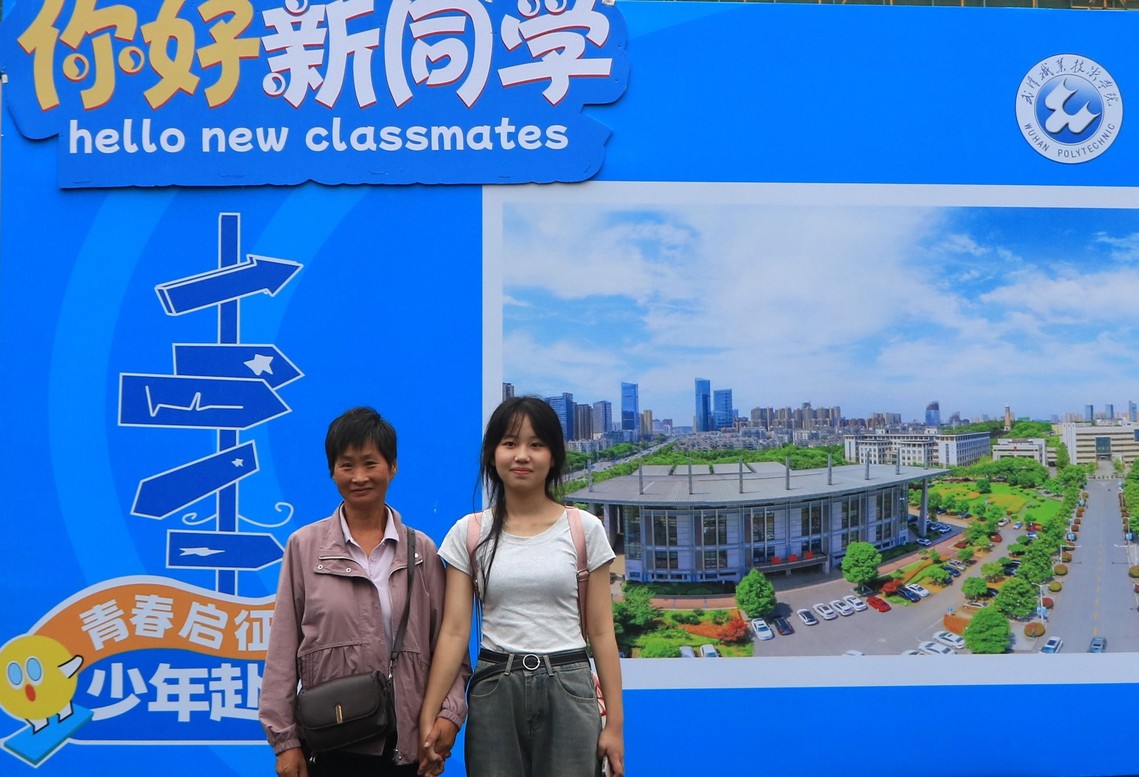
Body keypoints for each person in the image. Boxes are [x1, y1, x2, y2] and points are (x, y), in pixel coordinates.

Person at [419, 397, 625, 777]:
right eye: (510, 443)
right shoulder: (469, 533)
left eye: (536, 444)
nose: (522, 456)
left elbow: (601, 632)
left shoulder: (585, 529)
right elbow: (454, 631)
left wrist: (615, 725)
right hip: (496, 688)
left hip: (570, 686)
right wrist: (428, 715)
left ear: (554, 455)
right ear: (492, 454)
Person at [260, 407, 469, 777]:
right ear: (332, 471)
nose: (359, 477)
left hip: (406, 742)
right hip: (330, 740)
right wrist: (285, 741)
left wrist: (449, 716)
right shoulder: (304, 547)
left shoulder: (420, 550)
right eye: (346, 465)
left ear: (392, 467)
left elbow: (448, 644)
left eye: (370, 463)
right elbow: (282, 648)